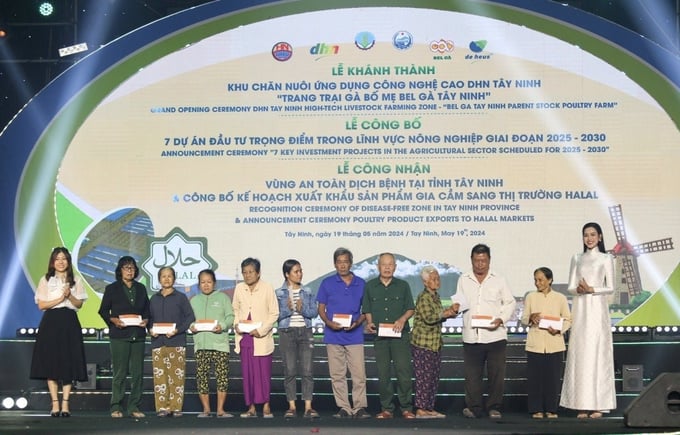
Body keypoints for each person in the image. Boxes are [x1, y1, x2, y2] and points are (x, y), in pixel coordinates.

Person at [560, 222, 616, 418]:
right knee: (580, 354)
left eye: (593, 234)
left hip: (597, 310)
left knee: (597, 354)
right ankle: (580, 403)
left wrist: (592, 289)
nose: (589, 238)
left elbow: (610, 287)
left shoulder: (606, 258)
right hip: (581, 309)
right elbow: (570, 286)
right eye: (586, 235)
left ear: (600, 237)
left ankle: (599, 404)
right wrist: (580, 290)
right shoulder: (577, 258)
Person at [457, 243, 516, 419]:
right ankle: (474, 407)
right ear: (471, 260)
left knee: (496, 375)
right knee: (472, 376)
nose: (480, 264)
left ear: (489, 260)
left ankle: (493, 407)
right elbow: (459, 303)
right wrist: (455, 307)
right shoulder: (463, 279)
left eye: (483, 260)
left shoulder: (499, 279)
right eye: (476, 260)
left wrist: (501, 319)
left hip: (495, 336)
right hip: (472, 336)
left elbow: (510, 302)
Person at [30, 247, 88, 418]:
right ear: (53, 262)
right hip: (51, 322)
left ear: (68, 261)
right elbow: (41, 305)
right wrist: (60, 299)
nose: (61, 262)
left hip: (69, 322)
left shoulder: (75, 280)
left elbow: (79, 305)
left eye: (64, 259)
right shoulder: (46, 280)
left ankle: (66, 404)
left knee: (68, 362)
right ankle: (55, 403)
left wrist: (69, 296)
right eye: (58, 259)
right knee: (51, 362)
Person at [316, 247, 370, 419]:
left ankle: (360, 407)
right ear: (334, 264)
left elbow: (366, 309)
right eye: (339, 262)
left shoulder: (361, 283)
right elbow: (321, 309)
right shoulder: (327, 283)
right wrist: (329, 322)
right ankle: (344, 408)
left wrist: (357, 323)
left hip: (355, 335)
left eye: (345, 261)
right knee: (337, 375)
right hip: (333, 335)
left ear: (351, 263)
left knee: (358, 374)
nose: (342, 265)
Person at [364, 252, 416, 419]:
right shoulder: (370, 286)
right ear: (378, 267)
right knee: (383, 373)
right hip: (380, 337)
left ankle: (406, 407)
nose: (387, 267)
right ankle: (387, 408)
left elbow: (410, 308)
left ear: (395, 267)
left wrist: (402, 319)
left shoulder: (403, 285)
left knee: (404, 372)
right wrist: (370, 323)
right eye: (384, 264)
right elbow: (367, 309)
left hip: (400, 336)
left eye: (390, 264)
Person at [98, 256, 150, 418]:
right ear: (120, 270)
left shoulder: (141, 288)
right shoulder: (112, 289)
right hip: (119, 335)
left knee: (137, 373)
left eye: (132, 268)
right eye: (126, 268)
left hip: (138, 335)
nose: (130, 271)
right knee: (120, 373)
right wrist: (114, 320)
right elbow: (104, 311)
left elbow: (147, 311)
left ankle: (134, 406)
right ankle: (116, 406)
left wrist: (146, 321)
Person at [521, 267, 571, 419]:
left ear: (550, 280)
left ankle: (551, 409)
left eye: (541, 279)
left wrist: (559, 329)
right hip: (535, 344)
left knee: (553, 379)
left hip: (554, 343)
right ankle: (535, 409)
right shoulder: (530, 297)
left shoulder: (560, 298)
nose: (537, 283)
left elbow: (568, 319)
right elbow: (523, 319)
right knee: (535, 379)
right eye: (535, 280)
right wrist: (531, 318)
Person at [232, 257, 279, 418]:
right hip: (245, 338)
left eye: (251, 272)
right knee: (248, 375)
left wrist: (262, 330)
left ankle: (266, 406)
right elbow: (236, 310)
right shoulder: (239, 288)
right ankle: (251, 407)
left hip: (261, 338)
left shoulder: (267, 288)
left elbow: (274, 313)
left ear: (258, 273)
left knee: (263, 374)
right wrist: (237, 324)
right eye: (244, 272)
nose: (247, 275)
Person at [410, 265, 458, 419]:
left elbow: (438, 315)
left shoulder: (435, 296)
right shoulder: (423, 297)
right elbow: (430, 317)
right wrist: (447, 313)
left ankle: (429, 408)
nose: (437, 281)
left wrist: (450, 312)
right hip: (423, 344)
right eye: (433, 279)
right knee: (424, 377)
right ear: (425, 282)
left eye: (438, 278)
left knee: (432, 377)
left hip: (435, 344)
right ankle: (421, 409)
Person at [148, 266, 195, 417]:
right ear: (159, 279)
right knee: (160, 378)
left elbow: (190, 317)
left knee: (176, 377)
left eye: (170, 276)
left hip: (176, 342)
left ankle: (175, 408)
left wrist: (177, 330)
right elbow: (148, 319)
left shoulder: (180, 297)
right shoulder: (153, 299)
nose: (167, 279)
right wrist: (150, 329)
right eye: (163, 276)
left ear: (174, 279)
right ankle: (162, 407)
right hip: (158, 343)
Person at [276, 259, 320, 419]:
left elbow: (314, 312)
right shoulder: (279, 293)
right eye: (296, 271)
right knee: (290, 370)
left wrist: (303, 309)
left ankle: (308, 406)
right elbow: (276, 315)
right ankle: (292, 406)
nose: (299, 274)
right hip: (287, 332)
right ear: (287, 274)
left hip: (305, 331)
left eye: (300, 270)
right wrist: (287, 310)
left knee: (307, 370)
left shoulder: (307, 291)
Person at [189, 269, 235, 418]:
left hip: (220, 344)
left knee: (222, 377)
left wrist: (221, 325)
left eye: (209, 282)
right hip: (201, 345)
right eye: (203, 282)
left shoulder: (223, 298)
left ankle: (220, 410)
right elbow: (189, 320)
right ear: (199, 284)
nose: (206, 285)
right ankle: (206, 410)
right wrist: (192, 326)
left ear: (214, 283)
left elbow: (230, 317)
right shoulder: (194, 300)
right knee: (202, 377)